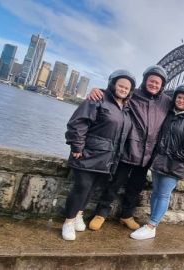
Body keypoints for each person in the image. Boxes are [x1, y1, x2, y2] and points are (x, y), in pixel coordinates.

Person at [87, 65, 173, 231]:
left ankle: (126, 215)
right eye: (151, 81)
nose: (154, 84)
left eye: (157, 82)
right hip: (128, 149)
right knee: (114, 184)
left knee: (135, 187)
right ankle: (101, 213)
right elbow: (116, 93)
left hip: (148, 154)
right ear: (145, 80)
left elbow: (181, 106)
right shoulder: (134, 94)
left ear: (162, 85)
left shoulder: (166, 101)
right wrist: (97, 91)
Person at [62, 69, 136, 241]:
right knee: (81, 188)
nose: (124, 89)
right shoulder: (98, 99)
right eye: (121, 85)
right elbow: (78, 123)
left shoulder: (125, 108)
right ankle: (68, 222)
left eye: (127, 88)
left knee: (92, 189)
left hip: (107, 159)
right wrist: (77, 147)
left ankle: (79, 215)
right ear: (113, 84)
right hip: (88, 153)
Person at [130, 83, 184, 240]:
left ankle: (151, 226)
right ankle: (151, 223)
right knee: (156, 192)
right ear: (174, 98)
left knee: (163, 194)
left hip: (174, 164)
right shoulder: (168, 114)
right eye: (179, 97)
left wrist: (170, 156)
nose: (181, 100)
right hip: (158, 162)